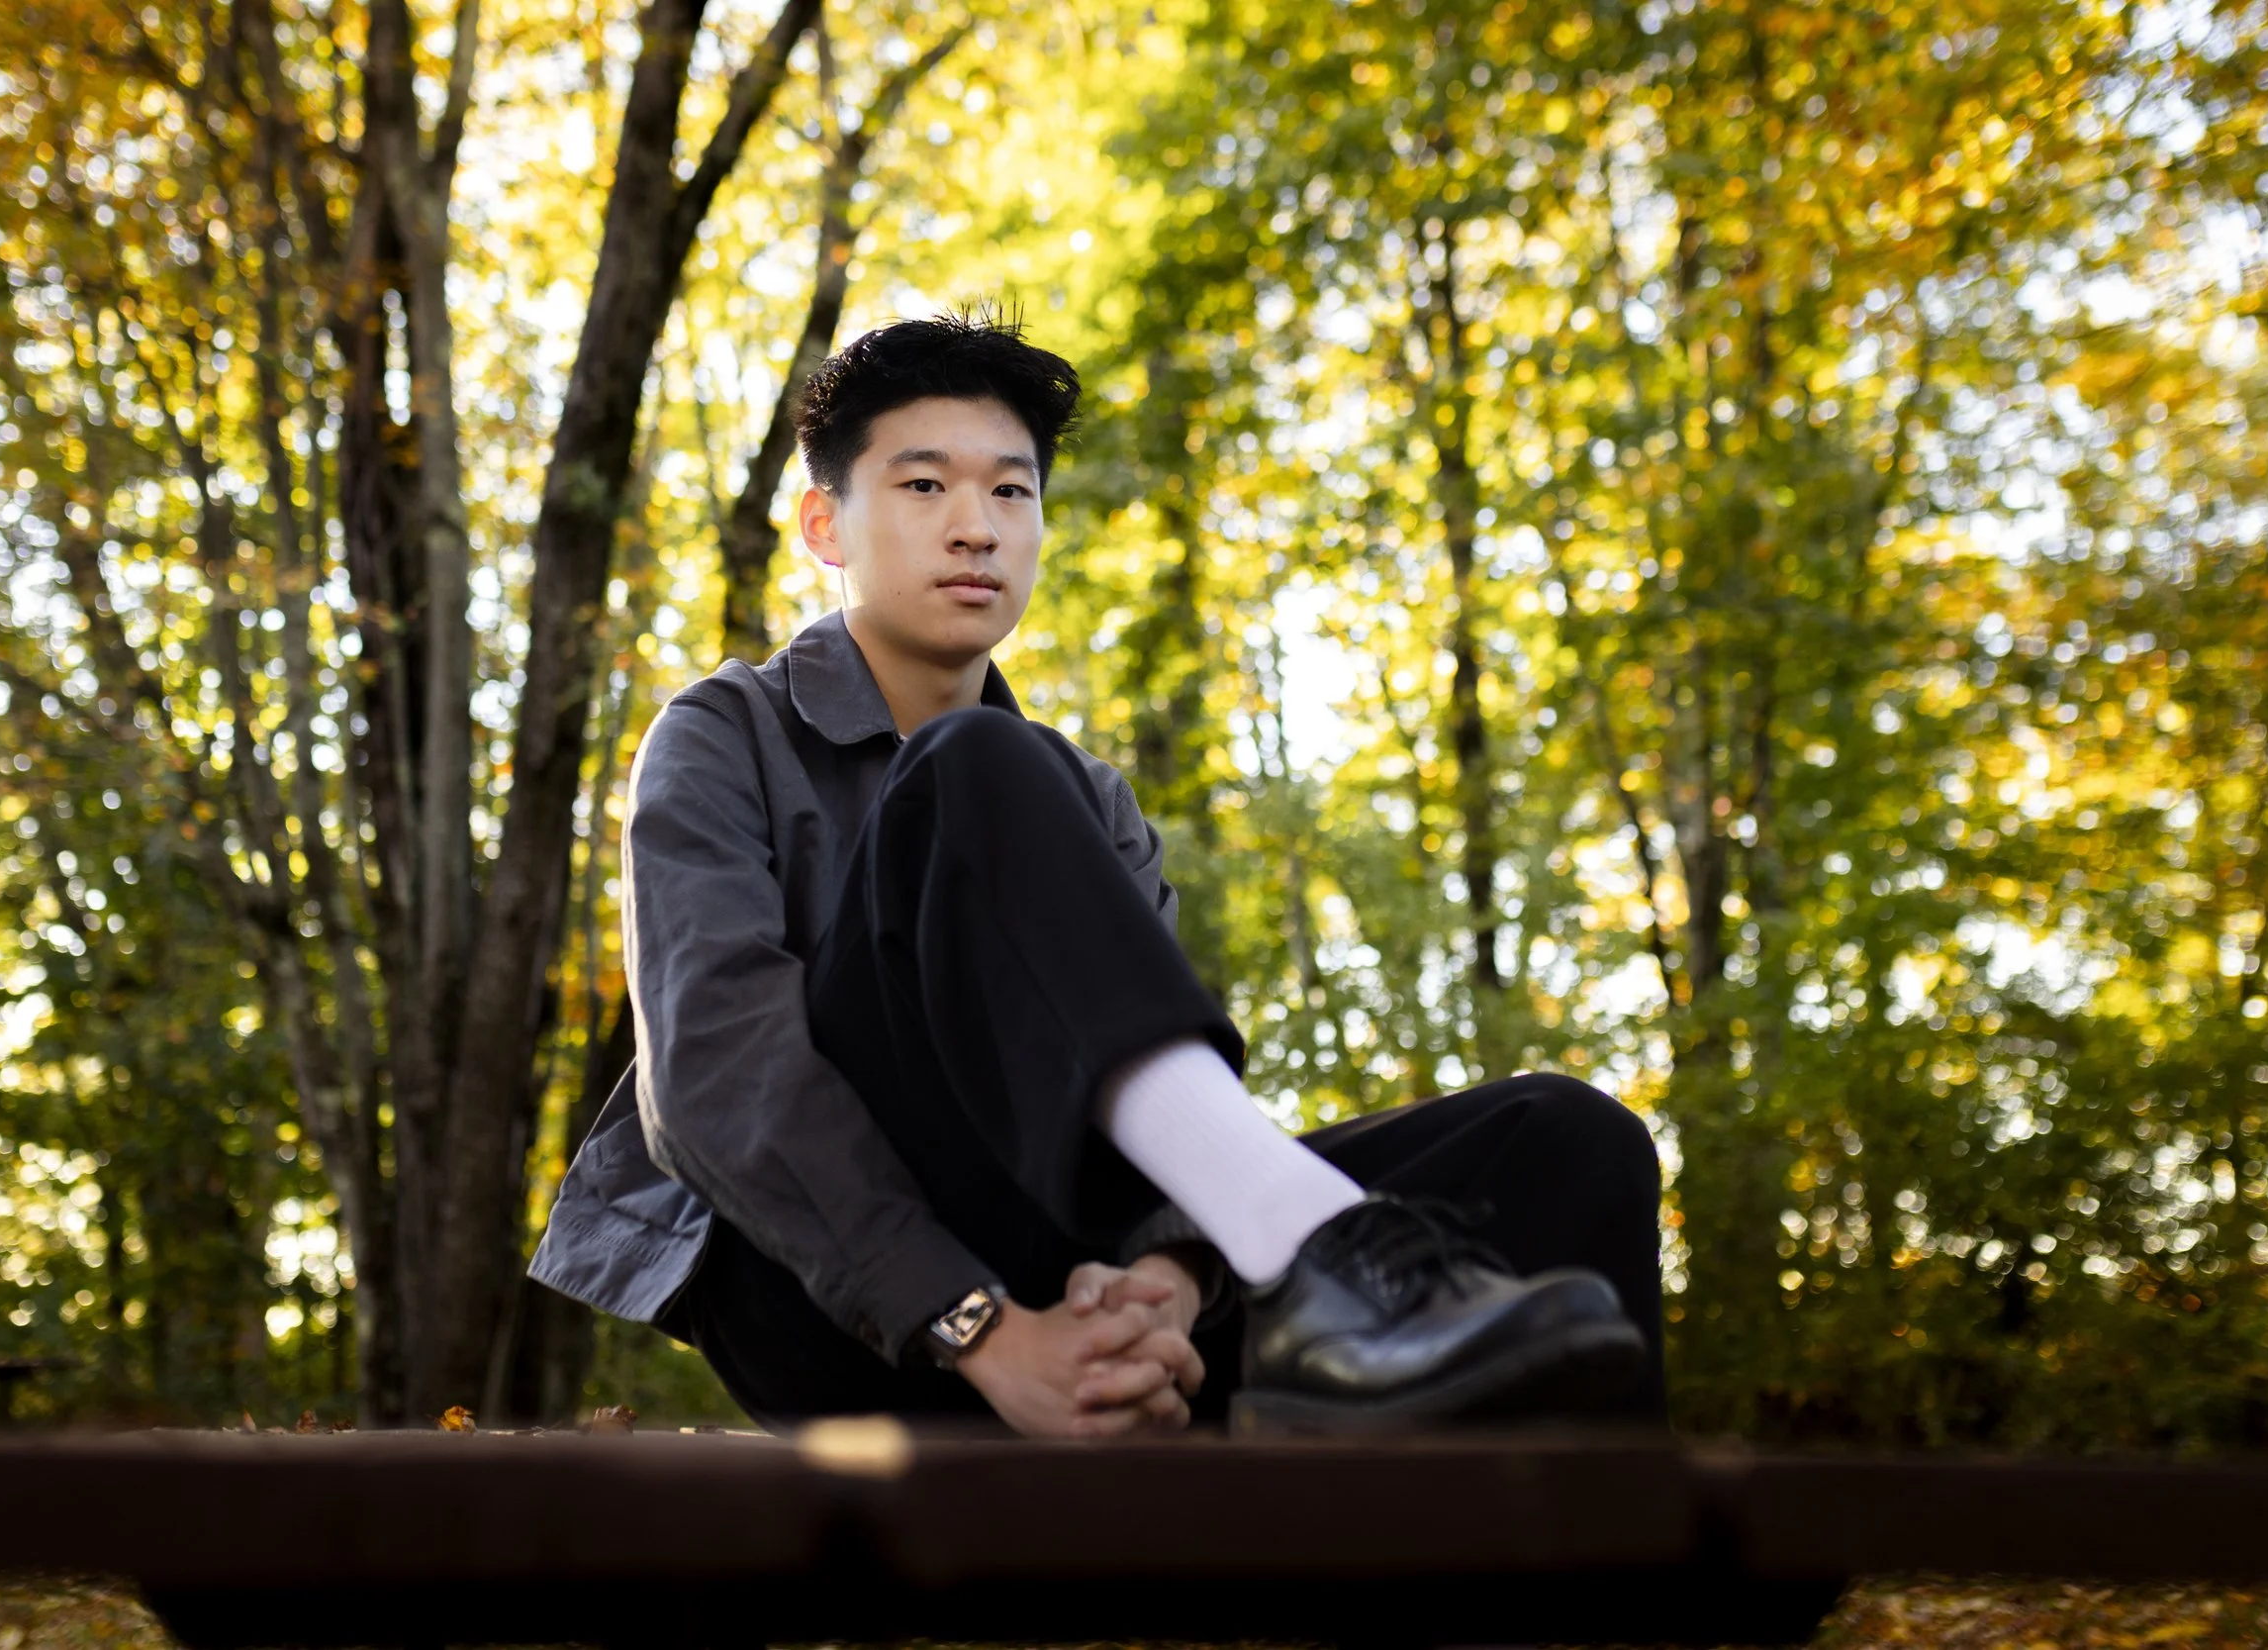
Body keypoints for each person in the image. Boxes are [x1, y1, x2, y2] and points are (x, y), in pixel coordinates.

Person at [530, 313, 1663, 1437]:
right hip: (833, 1292)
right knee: (971, 765)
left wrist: (1163, 1288)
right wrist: (982, 1326)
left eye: (1011, 493)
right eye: (924, 487)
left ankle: (1618, 1583)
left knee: (1566, 1135)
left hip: (1068, 1260)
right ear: (826, 524)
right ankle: (1313, 1256)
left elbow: (1155, 1110)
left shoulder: (1081, 798)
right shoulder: (724, 732)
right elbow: (713, 1076)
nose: (974, 527)